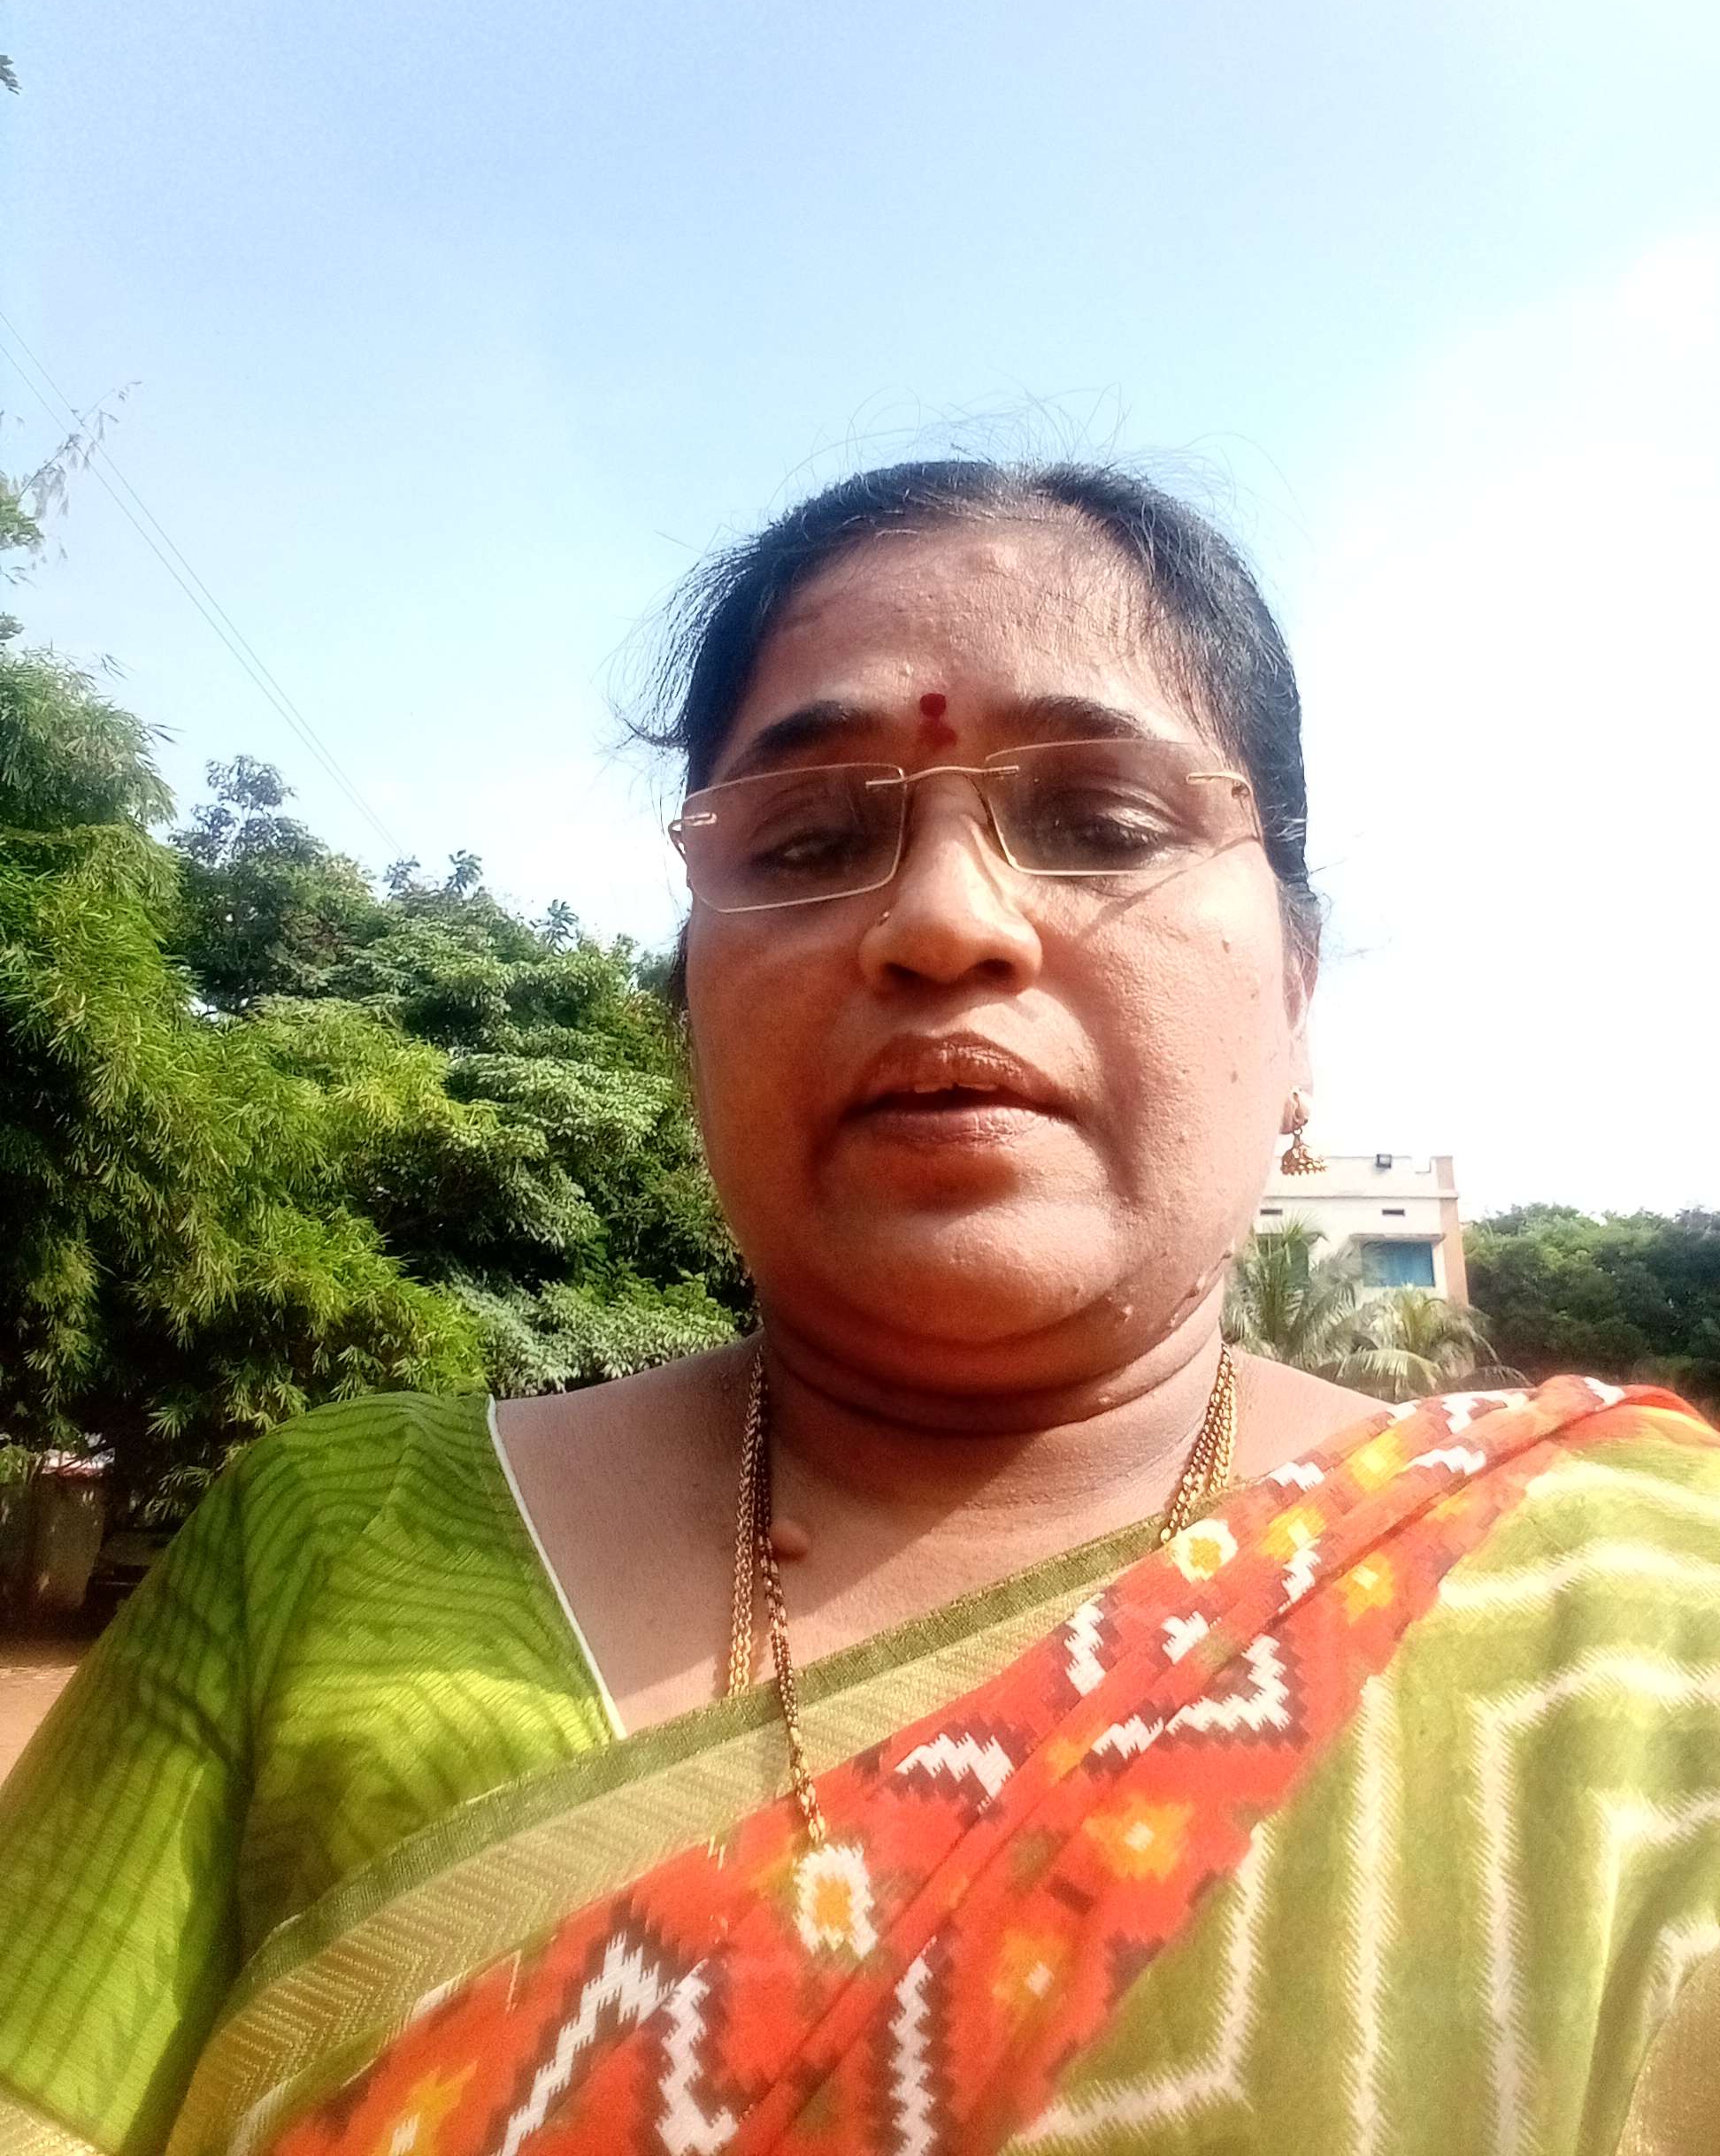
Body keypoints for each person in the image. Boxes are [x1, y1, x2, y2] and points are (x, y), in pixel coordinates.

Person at [2, 461, 1716, 2156]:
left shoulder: (1639, 1620)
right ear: (688, 1009)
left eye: (1102, 825)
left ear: (1297, 996)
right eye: (812, 838)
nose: (944, 921)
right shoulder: (330, 1554)